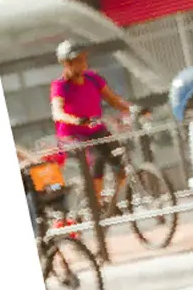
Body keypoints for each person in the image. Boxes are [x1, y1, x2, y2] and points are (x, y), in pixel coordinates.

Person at [50, 41, 133, 211]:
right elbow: (57, 112)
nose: (83, 63)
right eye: (77, 60)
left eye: (83, 58)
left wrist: (134, 109)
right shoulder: (60, 85)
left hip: (95, 129)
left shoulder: (93, 78)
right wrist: (76, 120)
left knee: (121, 165)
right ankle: (96, 203)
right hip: (71, 136)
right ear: (66, 64)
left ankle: (110, 203)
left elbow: (114, 100)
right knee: (96, 156)